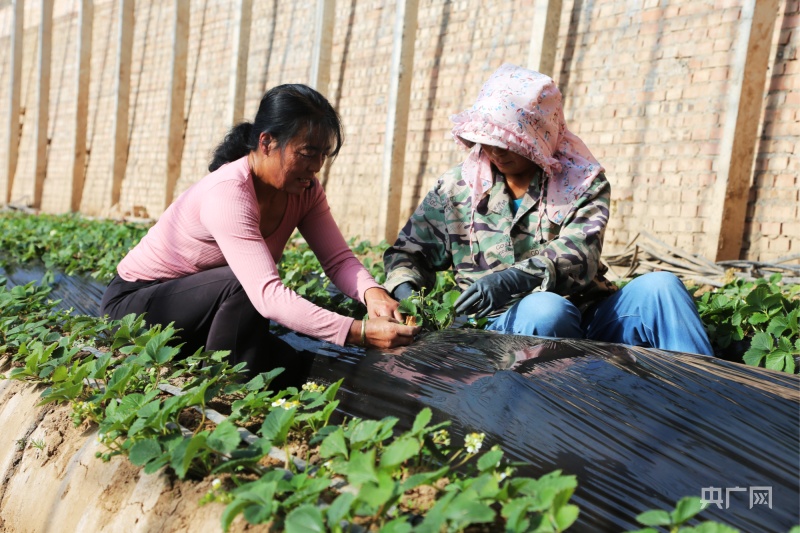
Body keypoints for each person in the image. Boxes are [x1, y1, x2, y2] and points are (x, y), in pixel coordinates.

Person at [383, 64, 713, 356]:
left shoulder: (581, 182)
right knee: (545, 311)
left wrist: (512, 279)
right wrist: (408, 294)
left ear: (539, 134)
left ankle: (709, 402)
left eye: (509, 140)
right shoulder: (458, 189)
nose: (496, 151)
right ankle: (558, 407)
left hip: (590, 320)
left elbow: (580, 254)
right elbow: (408, 253)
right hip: (496, 331)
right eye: (490, 139)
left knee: (662, 288)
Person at [101, 84, 421, 382]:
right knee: (246, 288)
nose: (317, 166)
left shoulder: (305, 190)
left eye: (323, 154)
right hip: (134, 309)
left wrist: (373, 293)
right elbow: (266, 295)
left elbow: (337, 260)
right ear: (267, 143)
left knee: (293, 364)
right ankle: (228, 385)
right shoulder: (229, 192)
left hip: (205, 308)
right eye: (308, 153)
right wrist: (358, 331)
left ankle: (234, 368)